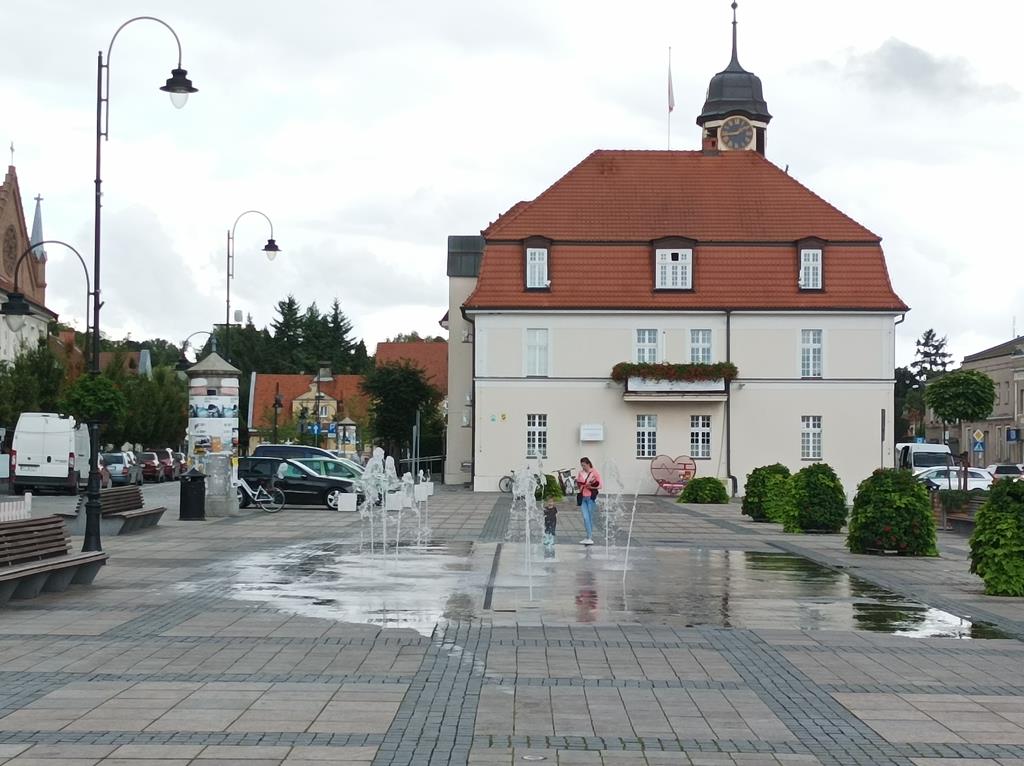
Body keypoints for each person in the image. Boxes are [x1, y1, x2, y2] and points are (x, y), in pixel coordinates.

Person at [575, 457, 601, 545]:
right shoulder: (580, 473)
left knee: (590, 517)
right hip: (583, 497)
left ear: (588, 464)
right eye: (581, 465)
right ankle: (588, 537)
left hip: (590, 498)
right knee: (585, 518)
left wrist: (591, 487)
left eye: (584, 465)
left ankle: (589, 537)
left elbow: (600, 485)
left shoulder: (594, 472)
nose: (583, 467)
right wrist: (580, 486)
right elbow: (578, 485)